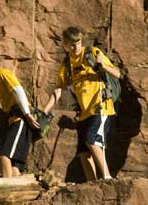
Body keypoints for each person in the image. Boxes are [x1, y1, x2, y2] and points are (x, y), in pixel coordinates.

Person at [43, 26, 121, 181]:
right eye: (71, 44)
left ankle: (107, 177)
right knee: (83, 152)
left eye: (78, 42)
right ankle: (92, 183)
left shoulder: (92, 53)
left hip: (100, 107)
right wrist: (45, 110)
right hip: (84, 112)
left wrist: (102, 65)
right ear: (65, 45)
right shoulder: (67, 64)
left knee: (92, 139)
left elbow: (117, 74)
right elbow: (59, 89)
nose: (76, 46)